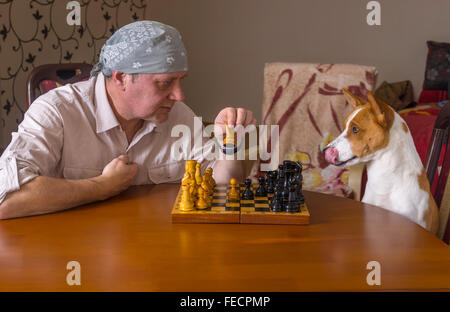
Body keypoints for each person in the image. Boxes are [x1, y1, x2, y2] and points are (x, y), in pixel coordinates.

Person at [0, 21, 256, 220]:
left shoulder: (178, 114)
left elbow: (222, 190)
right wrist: (102, 186)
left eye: (180, 80)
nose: (179, 95)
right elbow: (5, 200)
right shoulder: (55, 111)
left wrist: (229, 145)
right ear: (121, 78)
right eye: (165, 83)